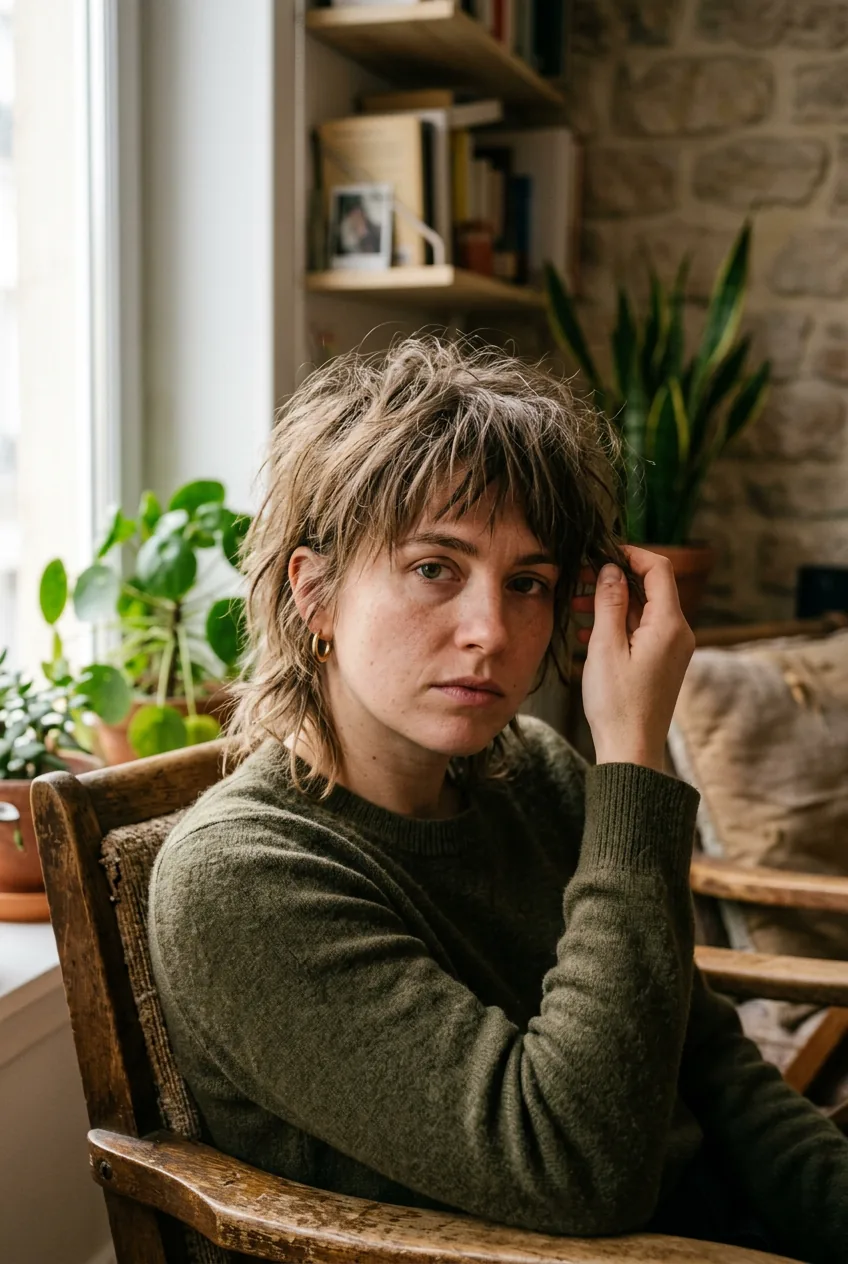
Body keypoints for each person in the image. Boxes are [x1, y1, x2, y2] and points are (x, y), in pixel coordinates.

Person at [148, 334, 848, 1264]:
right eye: (435, 567)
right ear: (314, 592)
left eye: (528, 583)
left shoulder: (536, 775)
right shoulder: (240, 879)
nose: (491, 630)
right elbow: (577, 1167)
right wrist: (632, 759)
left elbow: (712, 1064)